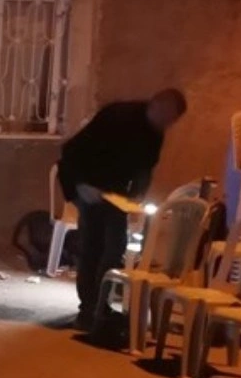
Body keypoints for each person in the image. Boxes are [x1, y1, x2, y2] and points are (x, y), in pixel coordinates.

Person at [57, 88, 188, 330]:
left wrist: (138, 193)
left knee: (115, 247)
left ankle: (101, 305)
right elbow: (73, 151)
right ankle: (88, 310)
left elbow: (145, 167)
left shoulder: (155, 133)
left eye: (170, 122)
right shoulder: (117, 116)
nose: (165, 125)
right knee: (93, 246)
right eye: (165, 117)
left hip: (116, 194)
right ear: (155, 105)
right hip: (88, 185)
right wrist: (81, 185)